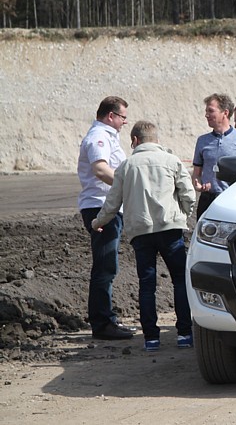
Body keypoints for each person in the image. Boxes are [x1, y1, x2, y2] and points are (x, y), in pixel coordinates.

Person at [91, 121, 196, 352]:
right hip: (170, 229)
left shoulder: (126, 167)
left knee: (147, 285)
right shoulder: (172, 161)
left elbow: (112, 203)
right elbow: (188, 194)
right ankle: (185, 334)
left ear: (135, 140)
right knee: (180, 280)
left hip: (141, 233)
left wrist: (98, 222)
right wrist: (184, 216)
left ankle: (151, 338)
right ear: (156, 139)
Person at [77, 96, 134, 340]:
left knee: (107, 265)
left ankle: (105, 319)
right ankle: (102, 323)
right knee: (105, 266)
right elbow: (100, 169)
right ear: (111, 116)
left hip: (108, 208)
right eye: (122, 117)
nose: (124, 122)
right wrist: (128, 186)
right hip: (101, 208)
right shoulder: (98, 137)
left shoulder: (108, 137)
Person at [192, 93, 236, 219]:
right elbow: (196, 173)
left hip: (232, 199)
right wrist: (198, 185)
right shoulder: (202, 141)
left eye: (211, 111)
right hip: (207, 200)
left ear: (225, 113)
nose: (206, 115)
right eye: (206, 111)